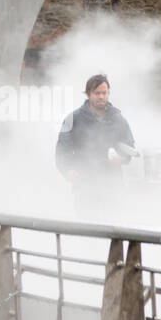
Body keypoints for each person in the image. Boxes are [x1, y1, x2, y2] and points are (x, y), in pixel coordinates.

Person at [55, 74, 137, 219]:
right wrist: (68, 171)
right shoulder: (72, 119)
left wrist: (122, 157)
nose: (101, 97)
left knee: (115, 231)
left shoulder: (118, 119)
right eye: (97, 93)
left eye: (104, 93)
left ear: (108, 93)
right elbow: (61, 151)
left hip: (113, 188)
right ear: (88, 94)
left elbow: (129, 147)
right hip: (85, 189)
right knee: (88, 233)